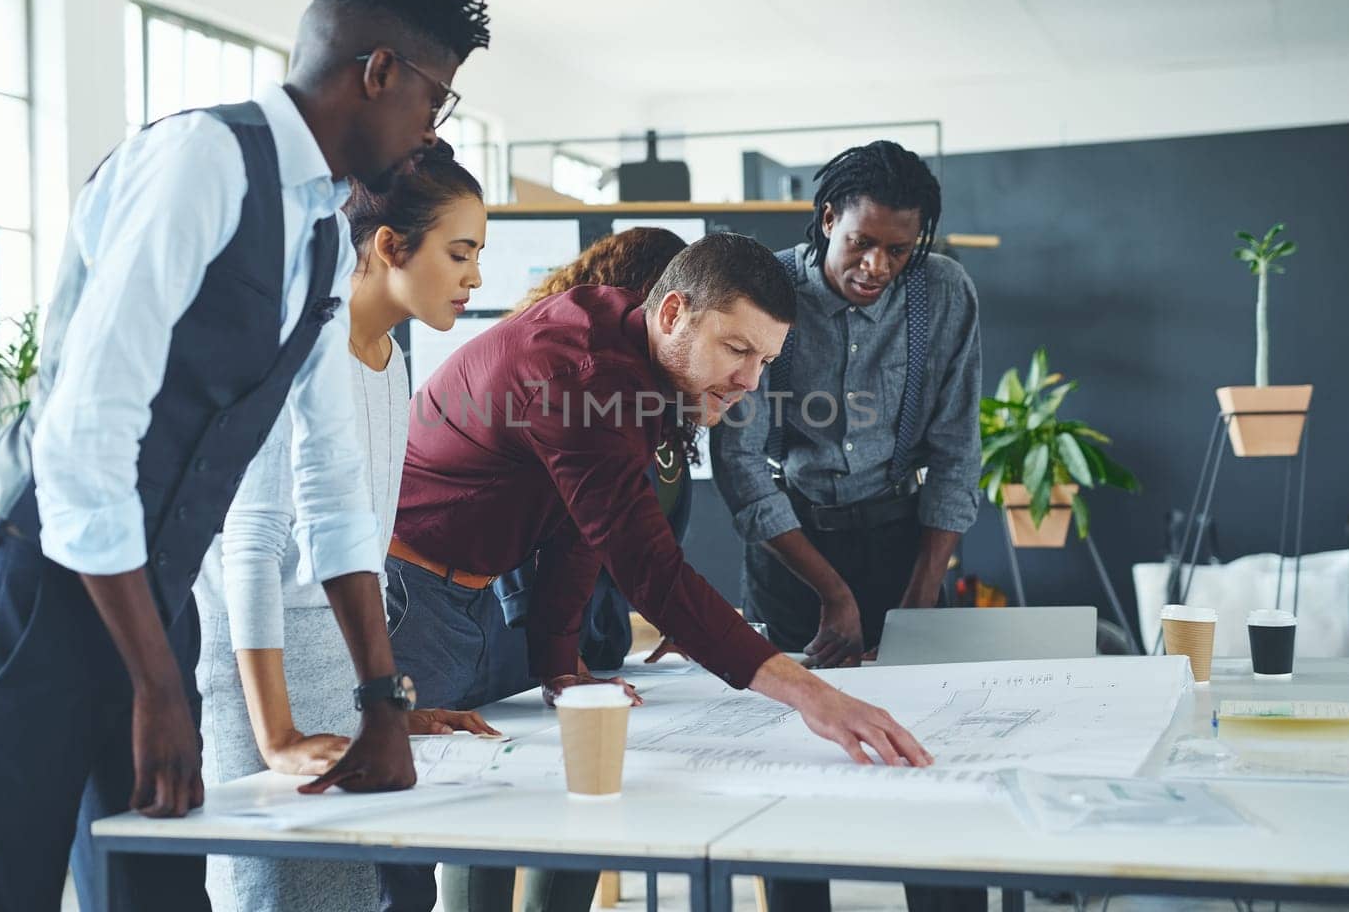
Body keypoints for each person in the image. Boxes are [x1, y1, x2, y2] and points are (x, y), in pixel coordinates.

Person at [0, 0, 490, 912]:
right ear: (378, 71)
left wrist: (380, 698)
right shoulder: (200, 162)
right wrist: (158, 685)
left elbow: (331, 481)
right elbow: (83, 437)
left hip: (149, 595)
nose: (431, 128)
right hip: (30, 585)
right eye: (434, 98)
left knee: (154, 895)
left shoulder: (319, 230)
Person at [383, 231, 935, 912]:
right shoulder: (582, 373)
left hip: (477, 602)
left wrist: (560, 664)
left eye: (765, 359)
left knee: (496, 813)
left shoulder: (636, 364)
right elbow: (648, 568)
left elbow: (580, 531)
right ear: (672, 313)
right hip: (412, 598)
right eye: (737, 350)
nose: (749, 382)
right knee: (402, 850)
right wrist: (810, 695)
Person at [194, 146, 497, 912]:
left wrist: (388, 705)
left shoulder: (390, 356)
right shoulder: (299, 343)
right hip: (261, 663)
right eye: (459, 254)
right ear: (391, 245)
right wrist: (276, 734)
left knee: (349, 894)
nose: (475, 279)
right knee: (275, 893)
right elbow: (250, 547)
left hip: (338, 658)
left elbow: (363, 550)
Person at [710, 141, 983, 912]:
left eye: (900, 249)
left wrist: (920, 593)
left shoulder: (945, 294)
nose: (877, 266)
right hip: (791, 547)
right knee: (796, 772)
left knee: (932, 763)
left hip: (904, 542)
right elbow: (740, 463)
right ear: (828, 219)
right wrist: (831, 593)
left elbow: (958, 448)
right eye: (861, 243)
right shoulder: (766, 289)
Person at [455, 226, 693, 912]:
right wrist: (552, 651)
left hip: (597, 638)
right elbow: (542, 525)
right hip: (521, 636)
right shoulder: (567, 375)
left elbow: (644, 521)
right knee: (495, 824)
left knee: (584, 820)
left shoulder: (657, 399)